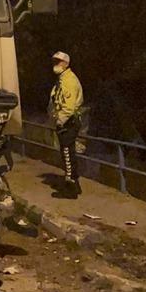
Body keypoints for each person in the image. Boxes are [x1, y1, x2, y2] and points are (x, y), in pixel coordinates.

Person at [48, 51, 85, 199]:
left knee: (68, 154)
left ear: (66, 64)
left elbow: (68, 107)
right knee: (67, 153)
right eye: (54, 62)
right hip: (67, 121)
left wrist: (60, 121)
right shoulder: (63, 79)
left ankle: (71, 189)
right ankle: (74, 184)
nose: (55, 65)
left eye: (58, 62)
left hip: (68, 122)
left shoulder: (69, 80)